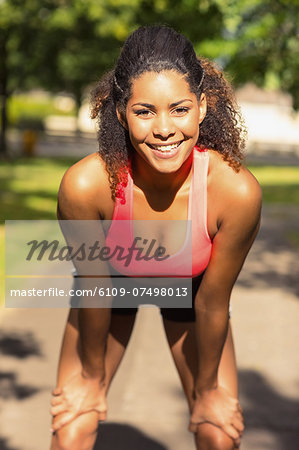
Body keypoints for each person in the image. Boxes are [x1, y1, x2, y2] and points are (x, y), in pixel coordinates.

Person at [50, 25, 262, 450]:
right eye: (145, 111)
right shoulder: (86, 186)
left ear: (202, 106)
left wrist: (207, 394)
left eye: (179, 109)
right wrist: (91, 381)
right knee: (73, 426)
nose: (164, 129)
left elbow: (213, 301)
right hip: (111, 287)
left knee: (218, 433)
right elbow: (94, 289)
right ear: (120, 113)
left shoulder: (235, 192)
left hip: (194, 290)